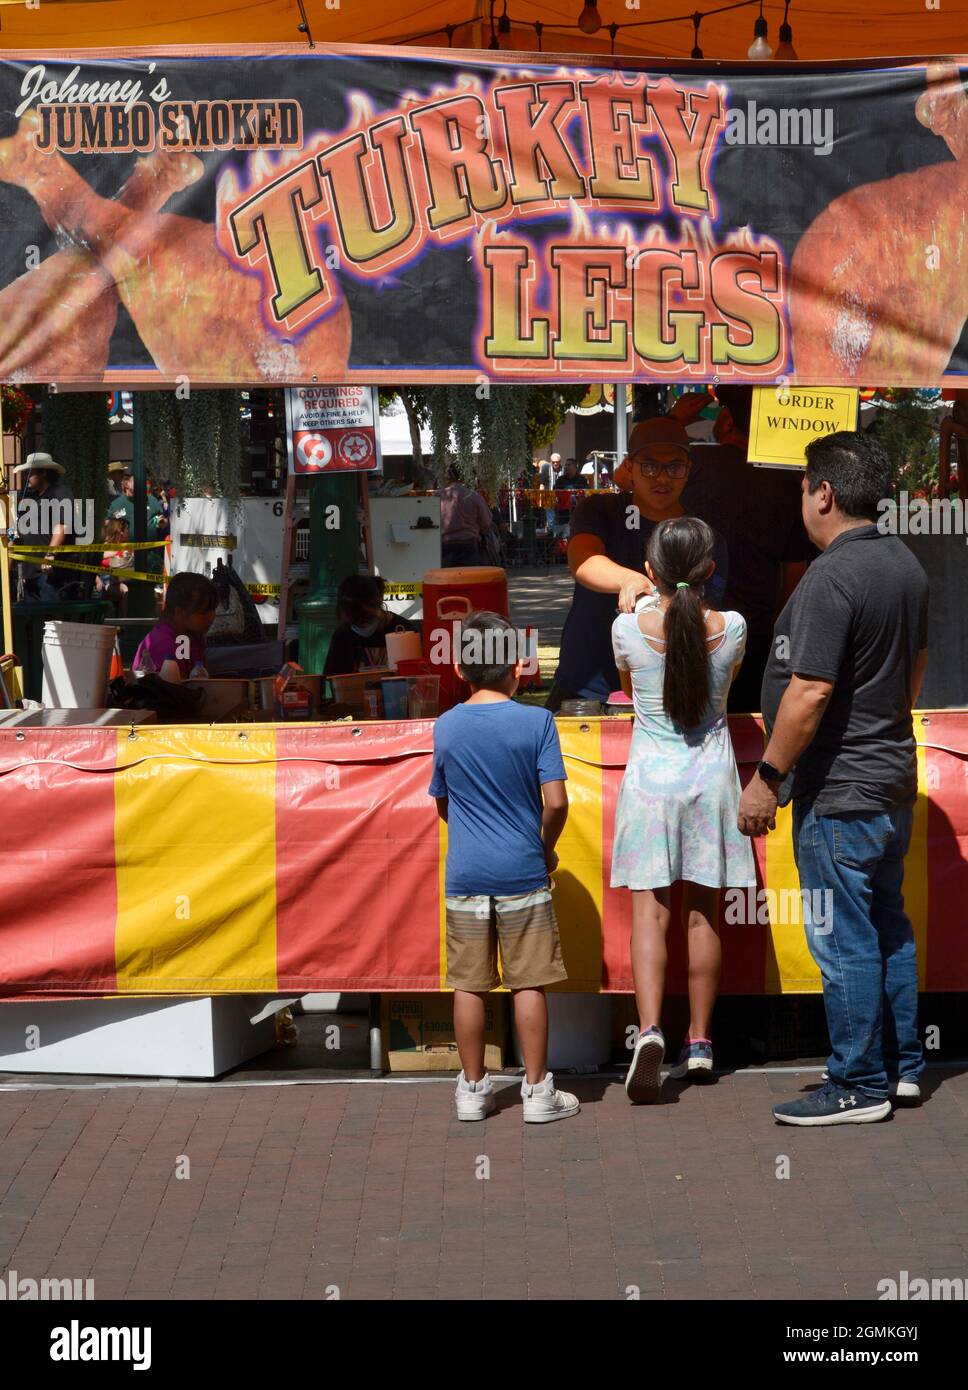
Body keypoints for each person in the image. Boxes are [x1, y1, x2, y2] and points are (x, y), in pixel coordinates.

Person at [739, 432, 930, 1126]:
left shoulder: (832, 576)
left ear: (824, 492)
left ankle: (856, 1083)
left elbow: (810, 691)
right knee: (886, 928)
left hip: (841, 788)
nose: (800, 500)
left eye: (801, 488)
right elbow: (914, 668)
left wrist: (766, 778)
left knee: (845, 936)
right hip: (887, 779)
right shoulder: (905, 564)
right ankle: (901, 1069)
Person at [613, 517, 755, 1102]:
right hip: (712, 782)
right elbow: (727, 686)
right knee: (704, 916)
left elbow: (626, 684)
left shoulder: (627, 628)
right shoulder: (736, 628)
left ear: (650, 573)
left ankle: (649, 1031)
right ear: (710, 572)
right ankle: (700, 1042)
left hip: (649, 782)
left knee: (651, 915)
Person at [428, 611, 579, 1124]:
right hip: (523, 871)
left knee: (469, 984)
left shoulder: (445, 726)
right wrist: (544, 847)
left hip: (466, 874)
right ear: (517, 665)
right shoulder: (537, 721)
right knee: (528, 982)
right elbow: (556, 802)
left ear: (460, 671)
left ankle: (472, 1090)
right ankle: (537, 1093)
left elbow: (443, 802)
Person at [550, 417, 729, 709]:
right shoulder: (600, 510)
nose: (662, 477)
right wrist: (630, 581)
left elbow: (708, 614)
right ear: (629, 469)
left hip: (668, 696)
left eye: (674, 466)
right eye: (649, 465)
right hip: (587, 686)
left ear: (688, 471)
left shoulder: (705, 535)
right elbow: (582, 560)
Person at [684, 385, 815, 712]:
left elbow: (634, 471)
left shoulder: (692, 464)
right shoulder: (788, 486)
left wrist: (676, 418)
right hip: (755, 639)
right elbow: (794, 578)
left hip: (692, 633)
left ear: (727, 422)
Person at [324, 574, 421, 676]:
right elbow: (334, 678)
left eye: (365, 617)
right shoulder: (343, 635)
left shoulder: (405, 632)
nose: (361, 625)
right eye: (355, 622)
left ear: (379, 602)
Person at [12, 452, 76, 600]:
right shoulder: (31, 500)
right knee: (34, 621)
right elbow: (17, 532)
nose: (25, 477)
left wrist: (50, 555)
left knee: (52, 621)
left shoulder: (60, 493)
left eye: (30, 473)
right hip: (30, 576)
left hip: (50, 576)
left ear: (43, 473)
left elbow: (62, 525)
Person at [132, 571, 218, 681]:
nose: (212, 616)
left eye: (213, 609)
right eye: (204, 612)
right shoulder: (164, 645)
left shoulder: (192, 637)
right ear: (179, 612)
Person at [106, 467, 164, 575]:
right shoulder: (116, 505)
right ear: (125, 484)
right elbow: (109, 528)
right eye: (130, 490)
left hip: (151, 557)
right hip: (126, 559)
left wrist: (158, 522)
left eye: (136, 490)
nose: (131, 492)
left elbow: (159, 519)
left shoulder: (151, 500)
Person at [439, 465, 492, 567]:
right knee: (469, 580)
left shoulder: (439, 496)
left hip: (445, 546)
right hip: (469, 546)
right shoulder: (474, 496)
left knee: (447, 580)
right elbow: (486, 523)